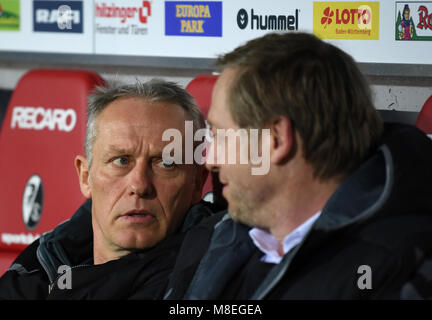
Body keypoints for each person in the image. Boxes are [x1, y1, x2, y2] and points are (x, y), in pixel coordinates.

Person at [164, 32, 432, 299]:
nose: (210, 159)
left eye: (221, 135)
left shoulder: (401, 270)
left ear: (278, 139)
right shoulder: (212, 234)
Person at [0, 79, 212, 299]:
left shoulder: (206, 283)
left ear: (196, 183)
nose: (139, 185)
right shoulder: (42, 262)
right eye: (121, 161)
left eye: (165, 164)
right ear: (85, 176)